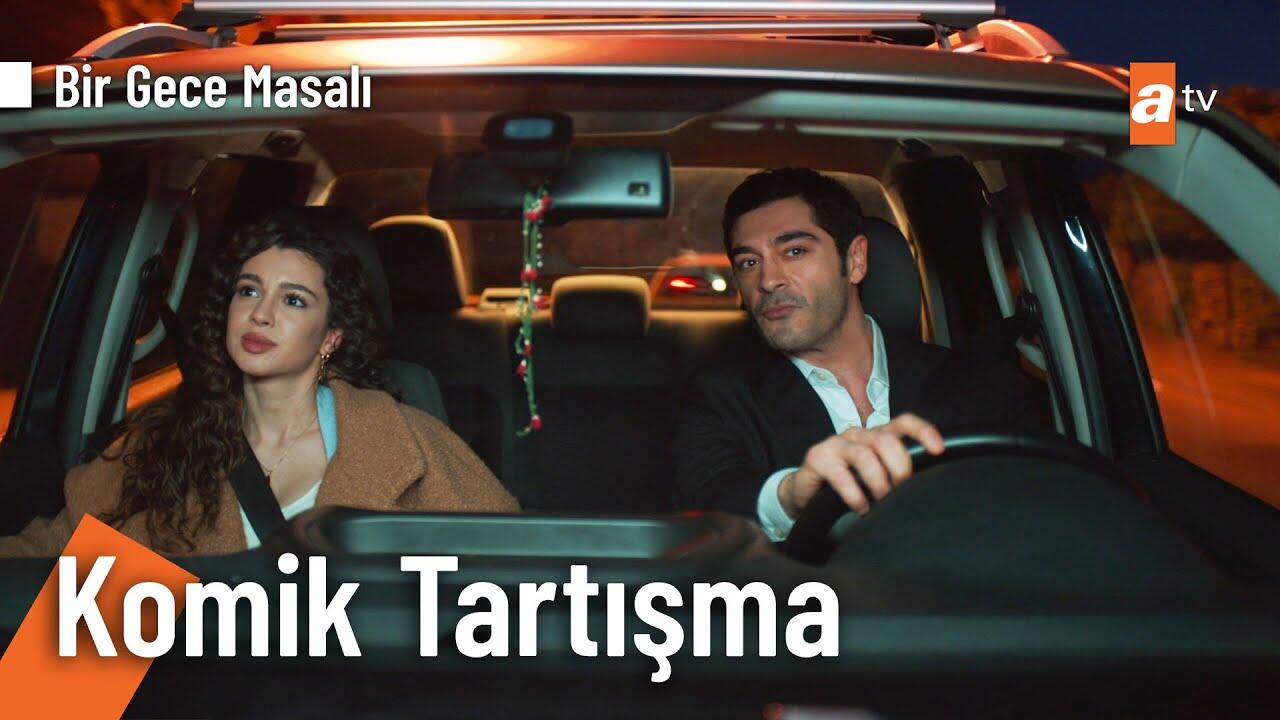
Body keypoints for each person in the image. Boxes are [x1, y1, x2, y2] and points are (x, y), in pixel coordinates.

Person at [0, 211, 517, 556]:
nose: (261, 314)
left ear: (330, 336)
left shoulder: (410, 442)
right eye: (248, 291)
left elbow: (513, 574)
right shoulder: (160, 444)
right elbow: (46, 556)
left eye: (293, 300)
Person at [674, 168, 1041, 541]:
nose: (768, 280)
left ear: (855, 260)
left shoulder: (971, 379)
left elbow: (1034, 503)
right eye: (749, 263)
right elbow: (712, 494)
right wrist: (791, 495)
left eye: (795, 251)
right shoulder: (721, 397)